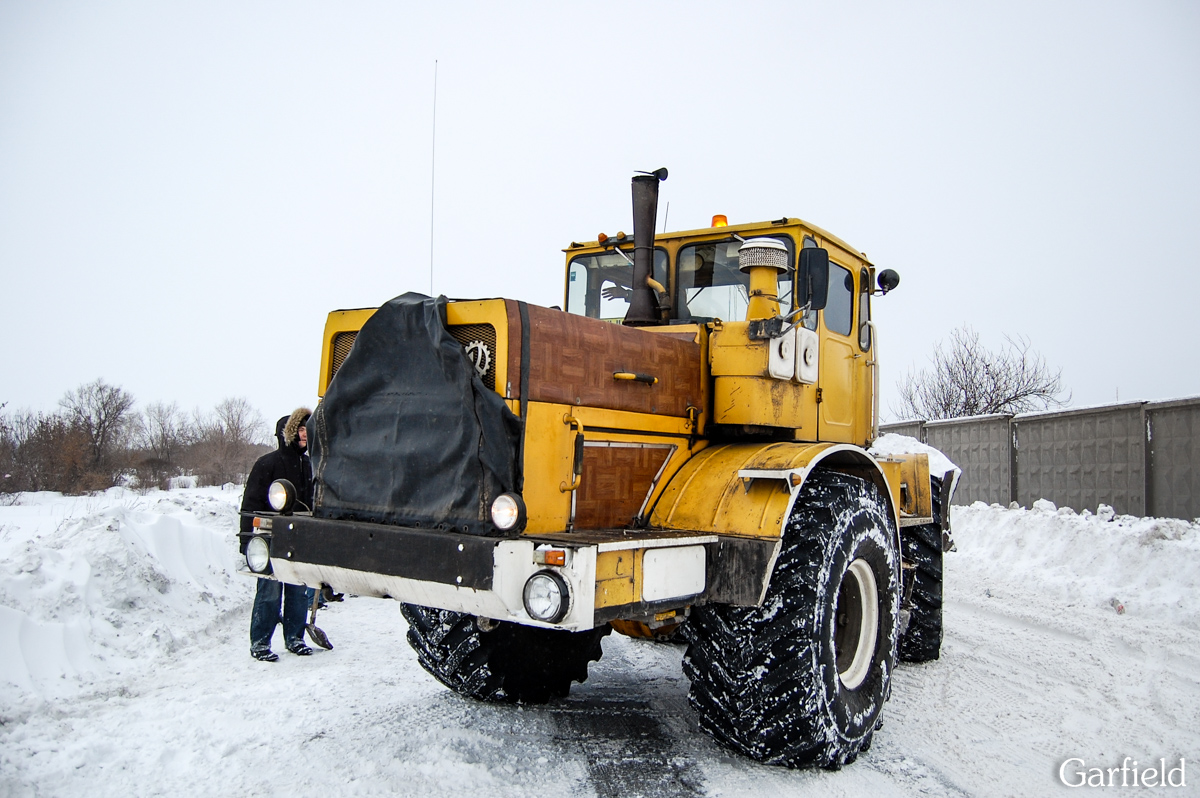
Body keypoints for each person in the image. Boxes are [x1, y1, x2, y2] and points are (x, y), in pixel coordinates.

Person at [241, 407, 314, 661]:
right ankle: (260, 643)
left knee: (298, 591)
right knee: (269, 592)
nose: (306, 434)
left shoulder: (310, 465)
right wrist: (246, 541)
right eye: (301, 429)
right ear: (290, 433)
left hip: (300, 539)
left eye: (309, 428)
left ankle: (295, 638)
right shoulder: (267, 463)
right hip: (270, 539)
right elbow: (249, 504)